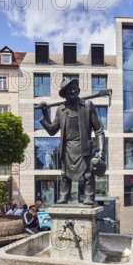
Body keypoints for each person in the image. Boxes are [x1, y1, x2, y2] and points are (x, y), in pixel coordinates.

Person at [39, 77, 105, 205]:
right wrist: (44, 112)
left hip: (84, 146)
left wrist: (101, 151)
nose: (73, 92)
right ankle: (64, 196)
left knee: (88, 174)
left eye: (74, 89)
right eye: (69, 90)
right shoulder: (61, 109)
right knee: (65, 174)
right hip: (67, 147)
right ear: (64, 95)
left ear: (78, 90)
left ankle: (89, 196)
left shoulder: (87, 106)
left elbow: (99, 130)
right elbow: (52, 130)